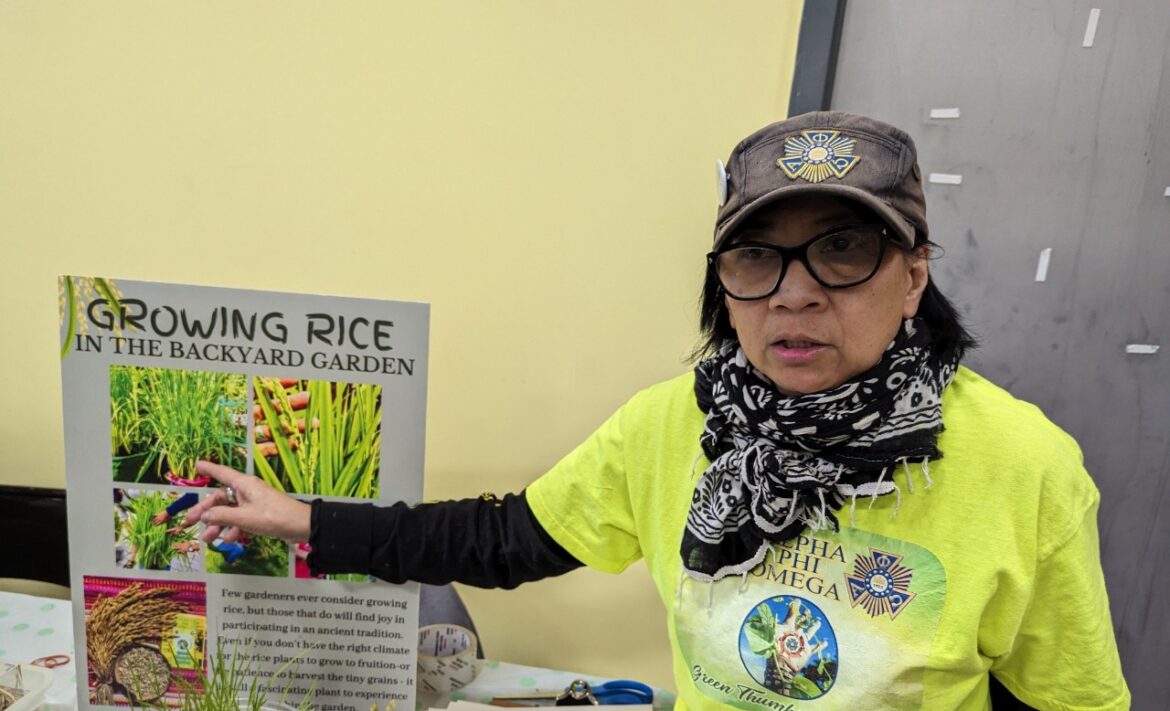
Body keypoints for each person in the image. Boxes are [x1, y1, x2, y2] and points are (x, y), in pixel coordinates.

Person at [187, 112, 1130, 710]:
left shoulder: (1024, 463)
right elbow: (507, 538)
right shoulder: (676, 421)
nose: (793, 296)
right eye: (756, 257)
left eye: (842, 249)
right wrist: (305, 522)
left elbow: (1069, 698)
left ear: (914, 273)